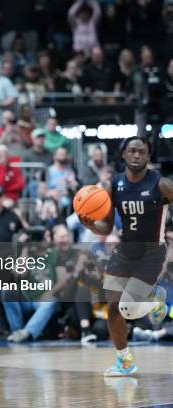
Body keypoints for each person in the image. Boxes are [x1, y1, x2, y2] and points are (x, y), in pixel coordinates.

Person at [79, 137, 173, 376]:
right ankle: (124, 360)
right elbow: (107, 228)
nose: (137, 155)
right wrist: (90, 225)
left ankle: (156, 299)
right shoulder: (114, 185)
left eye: (142, 151)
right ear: (124, 155)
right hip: (124, 250)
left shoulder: (161, 184)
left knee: (128, 310)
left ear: (148, 156)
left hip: (152, 252)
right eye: (132, 151)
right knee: (112, 306)